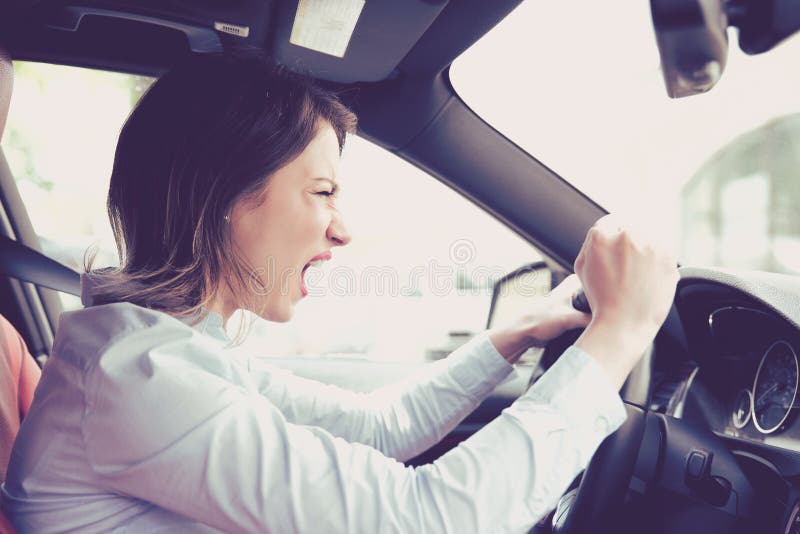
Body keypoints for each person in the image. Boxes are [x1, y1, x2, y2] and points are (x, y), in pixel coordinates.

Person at [0, 52, 678, 533]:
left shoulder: (165, 351)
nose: (343, 229)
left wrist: (510, 336)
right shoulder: (138, 379)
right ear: (225, 199)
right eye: (321, 192)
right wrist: (617, 336)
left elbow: (376, 428)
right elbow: (431, 518)